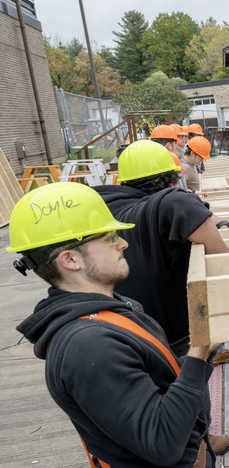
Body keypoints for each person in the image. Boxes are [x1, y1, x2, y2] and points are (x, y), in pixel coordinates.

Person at [11, 182, 218, 467]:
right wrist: (199, 354)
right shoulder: (89, 347)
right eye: (109, 237)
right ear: (70, 259)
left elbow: (157, 382)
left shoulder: (111, 310)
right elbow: (163, 443)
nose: (123, 242)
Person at [94, 140, 229, 455]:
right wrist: (210, 228)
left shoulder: (106, 207)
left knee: (158, 396)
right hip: (171, 329)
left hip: (124, 324)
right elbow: (225, 260)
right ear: (172, 179)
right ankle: (201, 444)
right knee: (190, 385)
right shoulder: (171, 201)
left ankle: (194, 444)